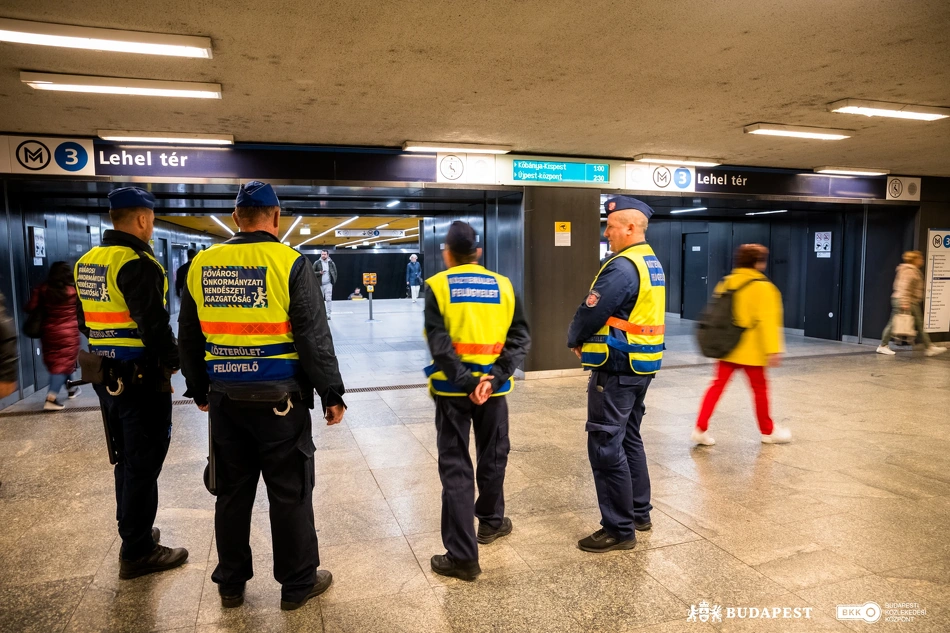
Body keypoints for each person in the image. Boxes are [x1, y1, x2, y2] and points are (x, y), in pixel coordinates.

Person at [179, 181, 347, 611]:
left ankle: (231, 584)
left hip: (225, 401)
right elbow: (313, 335)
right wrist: (331, 392)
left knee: (232, 494)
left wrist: (198, 388)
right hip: (280, 402)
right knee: (289, 493)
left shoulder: (201, 263)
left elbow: (189, 334)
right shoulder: (289, 262)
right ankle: (296, 585)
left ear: (236, 218)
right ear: (276, 217)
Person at [74, 186, 187, 579]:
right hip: (139, 378)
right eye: (151, 219)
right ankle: (138, 550)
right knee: (144, 459)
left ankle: (133, 530)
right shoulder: (136, 262)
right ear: (142, 218)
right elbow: (153, 326)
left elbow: (84, 321)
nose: (152, 225)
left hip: (105, 375)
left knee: (125, 456)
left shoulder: (88, 261)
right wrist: (172, 364)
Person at [424, 221, 530, 581]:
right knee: (493, 453)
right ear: (479, 252)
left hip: (453, 393)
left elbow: (439, 344)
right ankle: (491, 522)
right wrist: (492, 377)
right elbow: (520, 338)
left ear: (447, 254)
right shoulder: (505, 286)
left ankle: (462, 557)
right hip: (494, 391)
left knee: (456, 465)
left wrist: (467, 382)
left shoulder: (437, 287)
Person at [567, 196, 665, 553]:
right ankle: (639, 512)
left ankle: (618, 528)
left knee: (606, 444)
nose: (606, 232)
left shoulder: (622, 266)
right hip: (642, 366)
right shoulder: (650, 262)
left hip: (617, 367)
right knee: (629, 438)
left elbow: (594, 309)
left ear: (630, 227)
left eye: (610, 226)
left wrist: (574, 338)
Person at [691, 244, 792, 447]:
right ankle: (768, 431)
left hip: (727, 346)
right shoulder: (764, 287)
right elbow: (768, 322)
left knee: (716, 386)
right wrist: (774, 349)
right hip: (751, 350)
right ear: (758, 262)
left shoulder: (727, 282)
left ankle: (700, 428)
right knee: (760, 389)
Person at [26, 262, 82, 411]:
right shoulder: (73, 290)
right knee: (62, 364)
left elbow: (30, 307)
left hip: (50, 332)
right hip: (69, 332)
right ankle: (51, 398)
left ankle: (71, 389)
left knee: (62, 362)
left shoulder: (43, 289)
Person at [877, 250, 946, 357]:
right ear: (915, 260)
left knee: (917, 323)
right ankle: (883, 346)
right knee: (894, 324)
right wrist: (904, 302)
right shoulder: (909, 271)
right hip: (905, 300)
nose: (922, 260)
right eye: (920, 258)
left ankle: (929, 347)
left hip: (908, 300)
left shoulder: (911, 270)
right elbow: (904, 287)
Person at [312, 250, 337, 320]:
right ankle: (320, 314)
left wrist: (333, 281)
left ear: (328, 255)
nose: (323, 256)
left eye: (324, 254)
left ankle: (328, 314)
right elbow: (311, 272)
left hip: (328, 284)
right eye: (322, 254)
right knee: (319, 300)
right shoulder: (317, 263)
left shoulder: (331, 263)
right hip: (319, 284)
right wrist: (319, 273)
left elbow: (335, 273)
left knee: (328, 299)